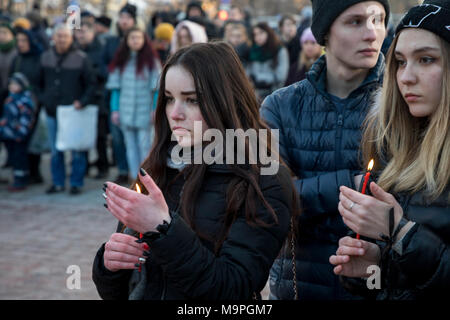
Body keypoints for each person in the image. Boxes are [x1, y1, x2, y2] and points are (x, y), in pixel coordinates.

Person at [92, 42, 296, 300]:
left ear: (223, 101)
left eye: (191, 100)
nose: (175, 113)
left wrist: (163, 229)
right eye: (168, 99)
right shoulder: (158, 166)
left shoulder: (264, 178)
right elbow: (122, 290)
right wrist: (109, 265)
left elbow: (233, 290)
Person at [260, 0, 390, 300]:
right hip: (300, 286)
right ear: (324, 33)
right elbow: (268, 197)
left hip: (377, 286)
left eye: (379, 19)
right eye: (355, 21)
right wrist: (353, 184)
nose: (372, 33)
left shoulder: (402, 106)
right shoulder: (279, 106)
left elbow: (409, 202)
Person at [330, 0, 450, 300]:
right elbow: (397, 284)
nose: (406, 76)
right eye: (400, 61)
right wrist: (372, 268)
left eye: (426, 59)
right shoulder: (392, 144)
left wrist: (401, 232)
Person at [38, 23, 96, 195]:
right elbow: (37, 83)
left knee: (77, 150)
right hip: (52, 111)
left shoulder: (81, 58)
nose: (62, 39)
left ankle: (76, 182)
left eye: (65, 36)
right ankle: (58, 182)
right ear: (53, 38)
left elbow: (91, 84)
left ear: (71, 38)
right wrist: (44, 99)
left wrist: (82, 101)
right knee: (56, 151)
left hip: (74, 111)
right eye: (59, 36)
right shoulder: (45, 57)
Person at [106, 27, 161, 181]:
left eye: (138, 37)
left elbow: (156, 89)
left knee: (145, 146)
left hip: (145, 110)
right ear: (127, 41)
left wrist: (155, 108)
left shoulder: (151, 62)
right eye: (132, 37)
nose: (135, 40)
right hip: (126, 109)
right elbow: (115, 88)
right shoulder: (120, 61)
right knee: (129, 146)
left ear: (144, 40)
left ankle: (145, 179)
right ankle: (133, 177)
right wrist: (114, 110)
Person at [102, 3, 137, 186]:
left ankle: (137, 170)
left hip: (136, 95)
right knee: (117, 136)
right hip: (115, 94)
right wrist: (113, 73)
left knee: (137, 137)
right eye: (121, 17)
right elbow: (103, 63)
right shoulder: (111, 42)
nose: (124, 21)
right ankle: (123, 169)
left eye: (128, 18)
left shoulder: (141, 41)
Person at [75, 21, 110, 180]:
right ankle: (84, 166)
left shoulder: (100, 50)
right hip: (80, 98)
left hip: (98, 98)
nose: (81, 35)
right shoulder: (75, 50)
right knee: (81, 134)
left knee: (99, 136)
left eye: (84, 32)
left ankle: (103, 166)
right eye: (78, 32)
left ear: (92, 33)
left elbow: (104, 73)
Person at [9, 27, 44, 185]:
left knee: (33, 139)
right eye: (19, 41)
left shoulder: (39, 58)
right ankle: (24, 171)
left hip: (33, 105)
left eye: (24, 41)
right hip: (17, 106)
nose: (21, 44)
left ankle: (34, 172)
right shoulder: (16, 59)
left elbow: (43, 81)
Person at [0, 72, 35, 191]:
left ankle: (21, 180)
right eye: (11, 84)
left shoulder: (24, 101)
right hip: (8, 134)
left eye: (15, 84)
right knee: (13, 158)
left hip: (19, 135)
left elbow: (26, 119)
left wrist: (21, 132)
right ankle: (16, 178)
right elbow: (6, 116)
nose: (12, 87)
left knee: (20, 158)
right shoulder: (9, 98)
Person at [246, 22, 289, 102]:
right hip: (256, 95)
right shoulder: (252, 51)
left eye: (261, 33)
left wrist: (264, 80)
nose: (258, 37)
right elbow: (248, 72)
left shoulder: (279, 50)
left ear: (268, 33)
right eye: (255, 34)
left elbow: (281, 76)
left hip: (275, 94)